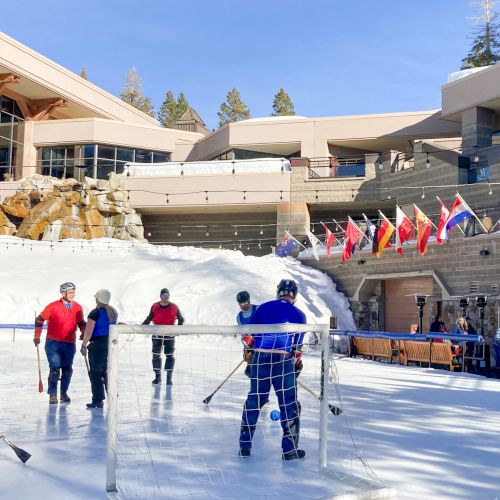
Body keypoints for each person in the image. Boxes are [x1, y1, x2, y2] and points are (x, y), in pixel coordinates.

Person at [239, 279, 307, 461]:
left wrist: (248, 350)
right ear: (294, 296)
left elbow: (249, 335)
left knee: (255, 400)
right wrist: (297, 365)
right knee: (288, 404)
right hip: (282, 360)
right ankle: (290, 451)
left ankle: (244, 446)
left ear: (278, 293)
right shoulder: (299, 315)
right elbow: (297, 349)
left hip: (260, 358)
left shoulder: (263, 308)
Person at [33, 282, 86, 404]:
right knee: (55, 369)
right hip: (53, 343)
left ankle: (63, 393)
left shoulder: (78, 307)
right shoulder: (53, 306)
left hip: (69, 343)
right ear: (63, 293)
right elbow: (39, 319)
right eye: (70, 292)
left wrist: (84, 333)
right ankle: (52, 394)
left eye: (74, 292)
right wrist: (37, 336)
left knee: (67, 369)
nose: (73, 294)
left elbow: (81, 323)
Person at [80, 289, 118, 409]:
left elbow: (89, 331)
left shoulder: (95, 313)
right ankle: (111, 396)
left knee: (95, 373)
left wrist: (84, 344)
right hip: (110, 344)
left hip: (97, 346)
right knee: (106, 372)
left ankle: (97, 400)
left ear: (97, 299)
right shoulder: (113, 312)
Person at [143, 288, 184, 385]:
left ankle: (169, 378)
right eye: (163, 295)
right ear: (160, 296)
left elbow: (181, 319)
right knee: (156, 355)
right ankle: (157, 377)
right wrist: (142, 326)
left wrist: (179, 329)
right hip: (157, 334)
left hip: (169, 335)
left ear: (169, 296)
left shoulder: (174, 307)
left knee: (169, 355)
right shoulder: (155, 306)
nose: (165, 297)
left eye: (167, 295)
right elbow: (149, 318)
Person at [236, 291, 259, 378]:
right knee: (250, 372)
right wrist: (246, 350)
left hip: (264, 345)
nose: (244, 305)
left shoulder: (257, 309)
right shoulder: (239, 318)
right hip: (251, 347)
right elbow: (244, 336)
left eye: (246, 302)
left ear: (249, 301)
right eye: (241, 303)